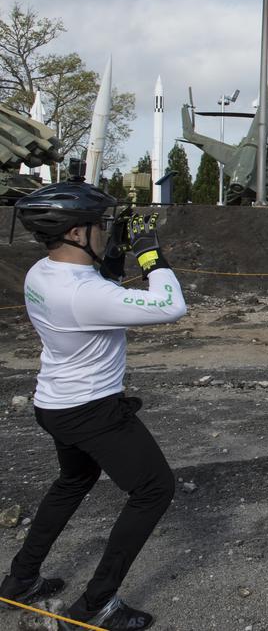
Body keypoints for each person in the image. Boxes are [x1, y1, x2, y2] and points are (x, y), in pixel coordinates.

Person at [0, 183, 187, 630]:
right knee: (154, 490)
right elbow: (171, 305)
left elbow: (98, 288)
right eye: (100, 226)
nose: (106, 231)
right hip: (91, 410)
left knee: (74, 480)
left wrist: (116, 252)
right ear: (75, 233)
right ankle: (94, 606)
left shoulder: (43, 273)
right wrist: (149, 255)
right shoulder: (82, 295)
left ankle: (20, 579)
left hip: (56, 402)